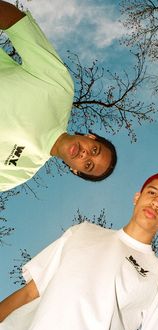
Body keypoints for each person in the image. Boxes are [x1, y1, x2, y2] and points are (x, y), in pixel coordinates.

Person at [0, 172, 158, 330]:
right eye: (152, 192)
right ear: (137, 197)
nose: (157, 202)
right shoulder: (83, 232)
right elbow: (29, 293)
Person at [0, 1, 117, 192]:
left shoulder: (19, 172)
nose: (84, 155)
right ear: (90, 137)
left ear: (75, 170)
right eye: (94, 150)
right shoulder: (60, 88)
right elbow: (16, 23)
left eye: (88, 165)